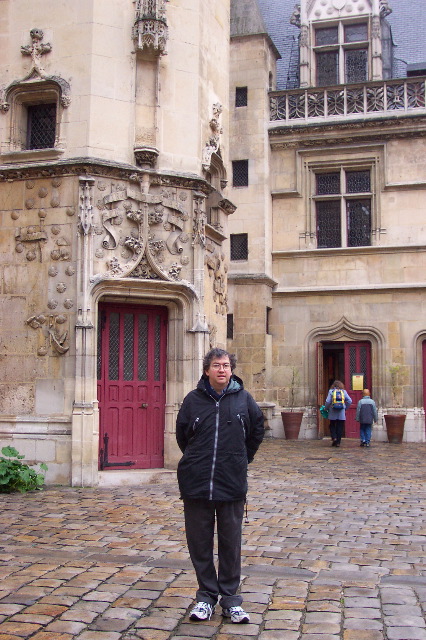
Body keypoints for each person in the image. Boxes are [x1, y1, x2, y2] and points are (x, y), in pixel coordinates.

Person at [176, 347, 264, 624]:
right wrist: (195, 460)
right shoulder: (193, 400)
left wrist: (241, 458)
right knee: (199, 544)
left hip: (231, 482)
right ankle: (205, 597)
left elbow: (257, 430)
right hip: (197, 483)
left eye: (226, 365)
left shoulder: (244, 400)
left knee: (230, 543)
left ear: (231, 369)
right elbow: (182, 435)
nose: (222, 369)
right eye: (216, 365)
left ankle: (231, 600)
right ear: (207, 370)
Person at [324, 380, 352, 447]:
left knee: (332, 425)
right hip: (341, 412)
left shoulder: (331, 391)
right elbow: (350, 401)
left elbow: (328, 401)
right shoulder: (343, 392)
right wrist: (345, 407)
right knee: (340, 427)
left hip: (333, 411)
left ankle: (334, 437)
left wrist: (326, 408)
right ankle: (338, 442)